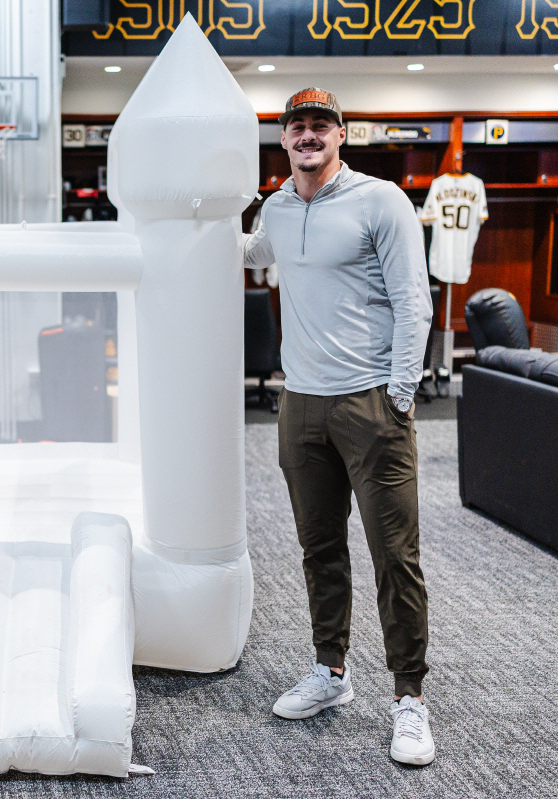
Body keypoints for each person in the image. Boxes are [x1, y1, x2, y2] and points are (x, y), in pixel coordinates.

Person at [245, 88, 436, 766]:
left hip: (370, 404)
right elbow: (250, 251)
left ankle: (409, 696)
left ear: (341, 134)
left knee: (395, 555)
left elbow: (415, 302)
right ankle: (331, 670)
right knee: (318, 548)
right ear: (285, 139)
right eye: (297, 126)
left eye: (320, 124)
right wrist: (186, 214)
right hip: (300, 405)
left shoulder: (380, 201)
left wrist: (401, 397)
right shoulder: (277, 204)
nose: (308, 135)